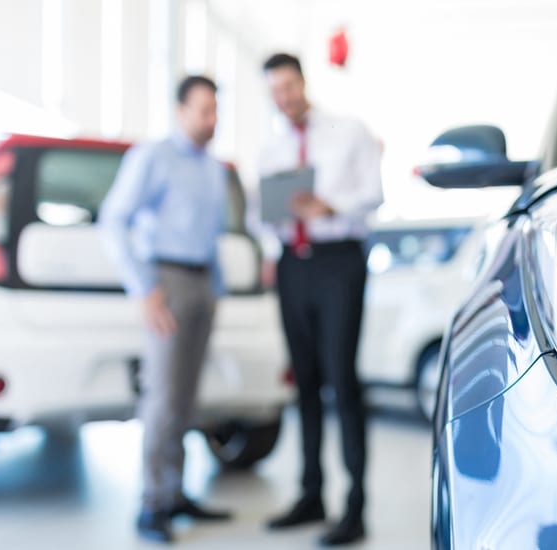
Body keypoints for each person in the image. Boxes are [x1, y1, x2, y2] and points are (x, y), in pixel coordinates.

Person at [99, 75, 232, 544]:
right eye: (203, 111)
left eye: (216, 111)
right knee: (163, 398)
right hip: (167, 281)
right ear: (180, 111)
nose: (211, 120)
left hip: (201, 283)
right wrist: (145, 290)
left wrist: (220, 290)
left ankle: (175, 493)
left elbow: (211, 237)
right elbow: (113, 220)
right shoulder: (153, 158)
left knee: (187, 398)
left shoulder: (214, 169)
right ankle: (152, 504)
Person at [258, 53, 383, 546]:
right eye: (275, 91)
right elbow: (257, 214)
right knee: (304, 380)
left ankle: (356, 506)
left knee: (341, 379)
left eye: (289, 86)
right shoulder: (271, 148)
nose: (284, 97)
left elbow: (374, 193)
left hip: (338, 261)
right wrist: (272, 230)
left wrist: (329, 205)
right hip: (293, 262)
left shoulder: (349, 130)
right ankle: (311, 493)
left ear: (303, 82)